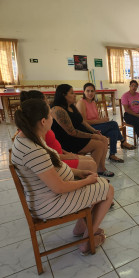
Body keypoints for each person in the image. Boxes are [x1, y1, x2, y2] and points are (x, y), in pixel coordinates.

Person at [11, 99, 114, 254]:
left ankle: (81, 228)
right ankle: (88, 241)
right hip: (49, 203)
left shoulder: (29, 137)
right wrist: (86, 180)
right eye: (51, 116)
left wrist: (79, 173)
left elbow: (54, 166)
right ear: (43, 121)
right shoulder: (33, 150)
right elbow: (58, 187)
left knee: (93, 183)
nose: (53, 118)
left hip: (46, 195)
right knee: (108, 190)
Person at [19, 90, 97, 172]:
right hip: (57, 161)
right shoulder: (38, 129)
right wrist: (68, 156)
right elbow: (47, 156)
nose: (48, 102)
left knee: (91, 160)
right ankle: (92, 180)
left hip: (60, 155)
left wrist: (67, 153)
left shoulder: (40, 126)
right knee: (91, 164)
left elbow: (53, 145)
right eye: (45, 100)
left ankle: (94, 179)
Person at [51, 84, 114, 177]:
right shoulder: (58, 109)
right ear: (63, 95)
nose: (75, 95)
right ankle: (92, 173)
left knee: (103, 139)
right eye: (72, 93)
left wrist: (94, 131)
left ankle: (101, 168)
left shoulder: (71, 106)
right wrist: (92, 136)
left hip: (78, 135)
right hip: (67, 140)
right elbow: (71, 132)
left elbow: (82, 121)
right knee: (98, 145)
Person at [76, 83, 135, 163]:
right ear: (84, 92)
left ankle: (112, 155)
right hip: (87, 129)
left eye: (92, 91)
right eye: (88, 91)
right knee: (113, 124)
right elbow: (84, 122)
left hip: (96, 127)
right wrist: (102, 121)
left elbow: (95, 118)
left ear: (95, 92)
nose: (90, 93)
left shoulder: (93, 102)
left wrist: (103, 120)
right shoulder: (81, 103)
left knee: (113, 132)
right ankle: (122, 141)